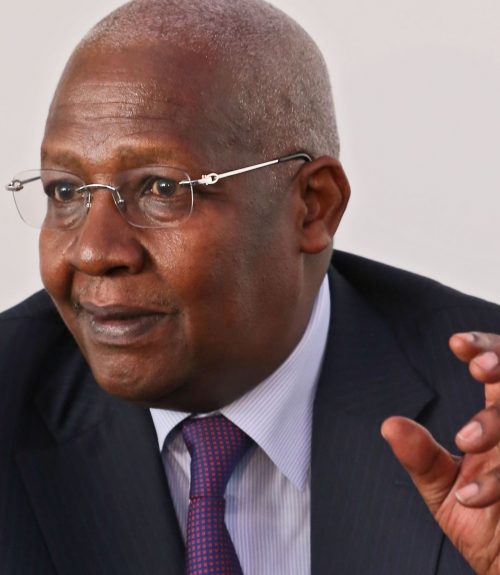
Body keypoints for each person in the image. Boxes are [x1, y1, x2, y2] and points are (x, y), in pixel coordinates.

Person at [1, 0, 500, 573]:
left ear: (313, 206)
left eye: (162, 188)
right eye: (65, 192)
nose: (92, 251)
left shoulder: (481, 415)